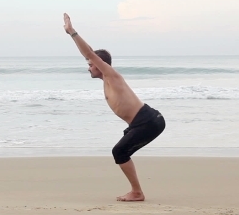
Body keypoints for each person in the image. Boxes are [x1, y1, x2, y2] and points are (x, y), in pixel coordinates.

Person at [63, 13, 166, 201]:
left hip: (148, 121)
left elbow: (90, 53)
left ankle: (137, 192)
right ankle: (137, 191)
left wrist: (72, 32)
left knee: (119, 151)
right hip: (142, 123)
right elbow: (91, 53)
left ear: (99, 65)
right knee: (122, 151)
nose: (88, 68)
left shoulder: (111, 76)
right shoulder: (106, 80)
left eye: (90, 65)